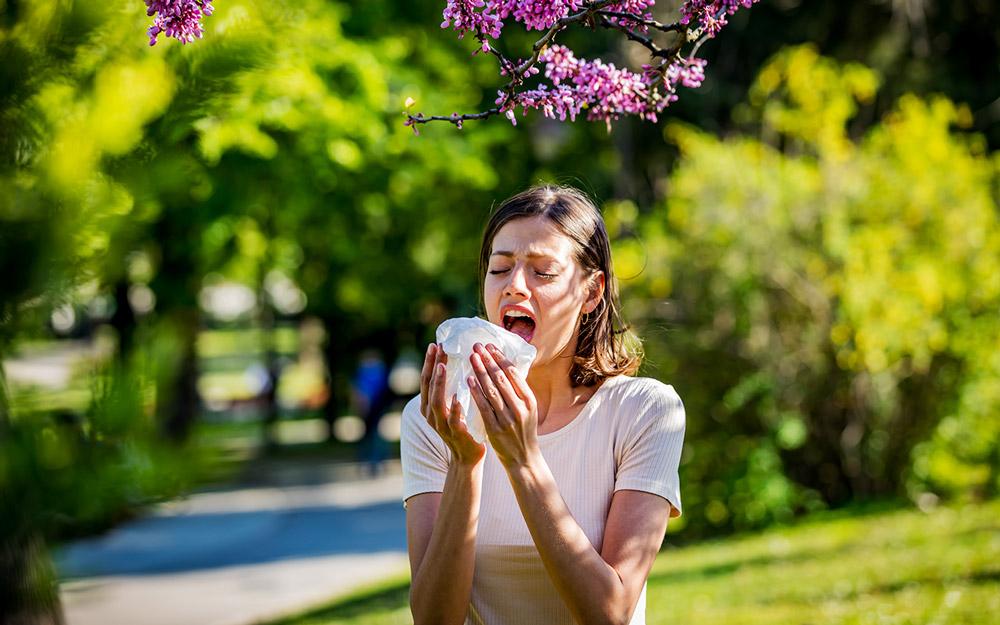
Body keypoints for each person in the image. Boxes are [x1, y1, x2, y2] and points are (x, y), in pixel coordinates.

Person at [401, 185, 685, 625]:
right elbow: (434, 620)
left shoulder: (645, 413)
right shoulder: (434, 419)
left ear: (591, 294)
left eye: (543, 272)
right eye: (500, 268)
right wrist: (465, 461)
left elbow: (610, 614)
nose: (514, 286)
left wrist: (523, 460)